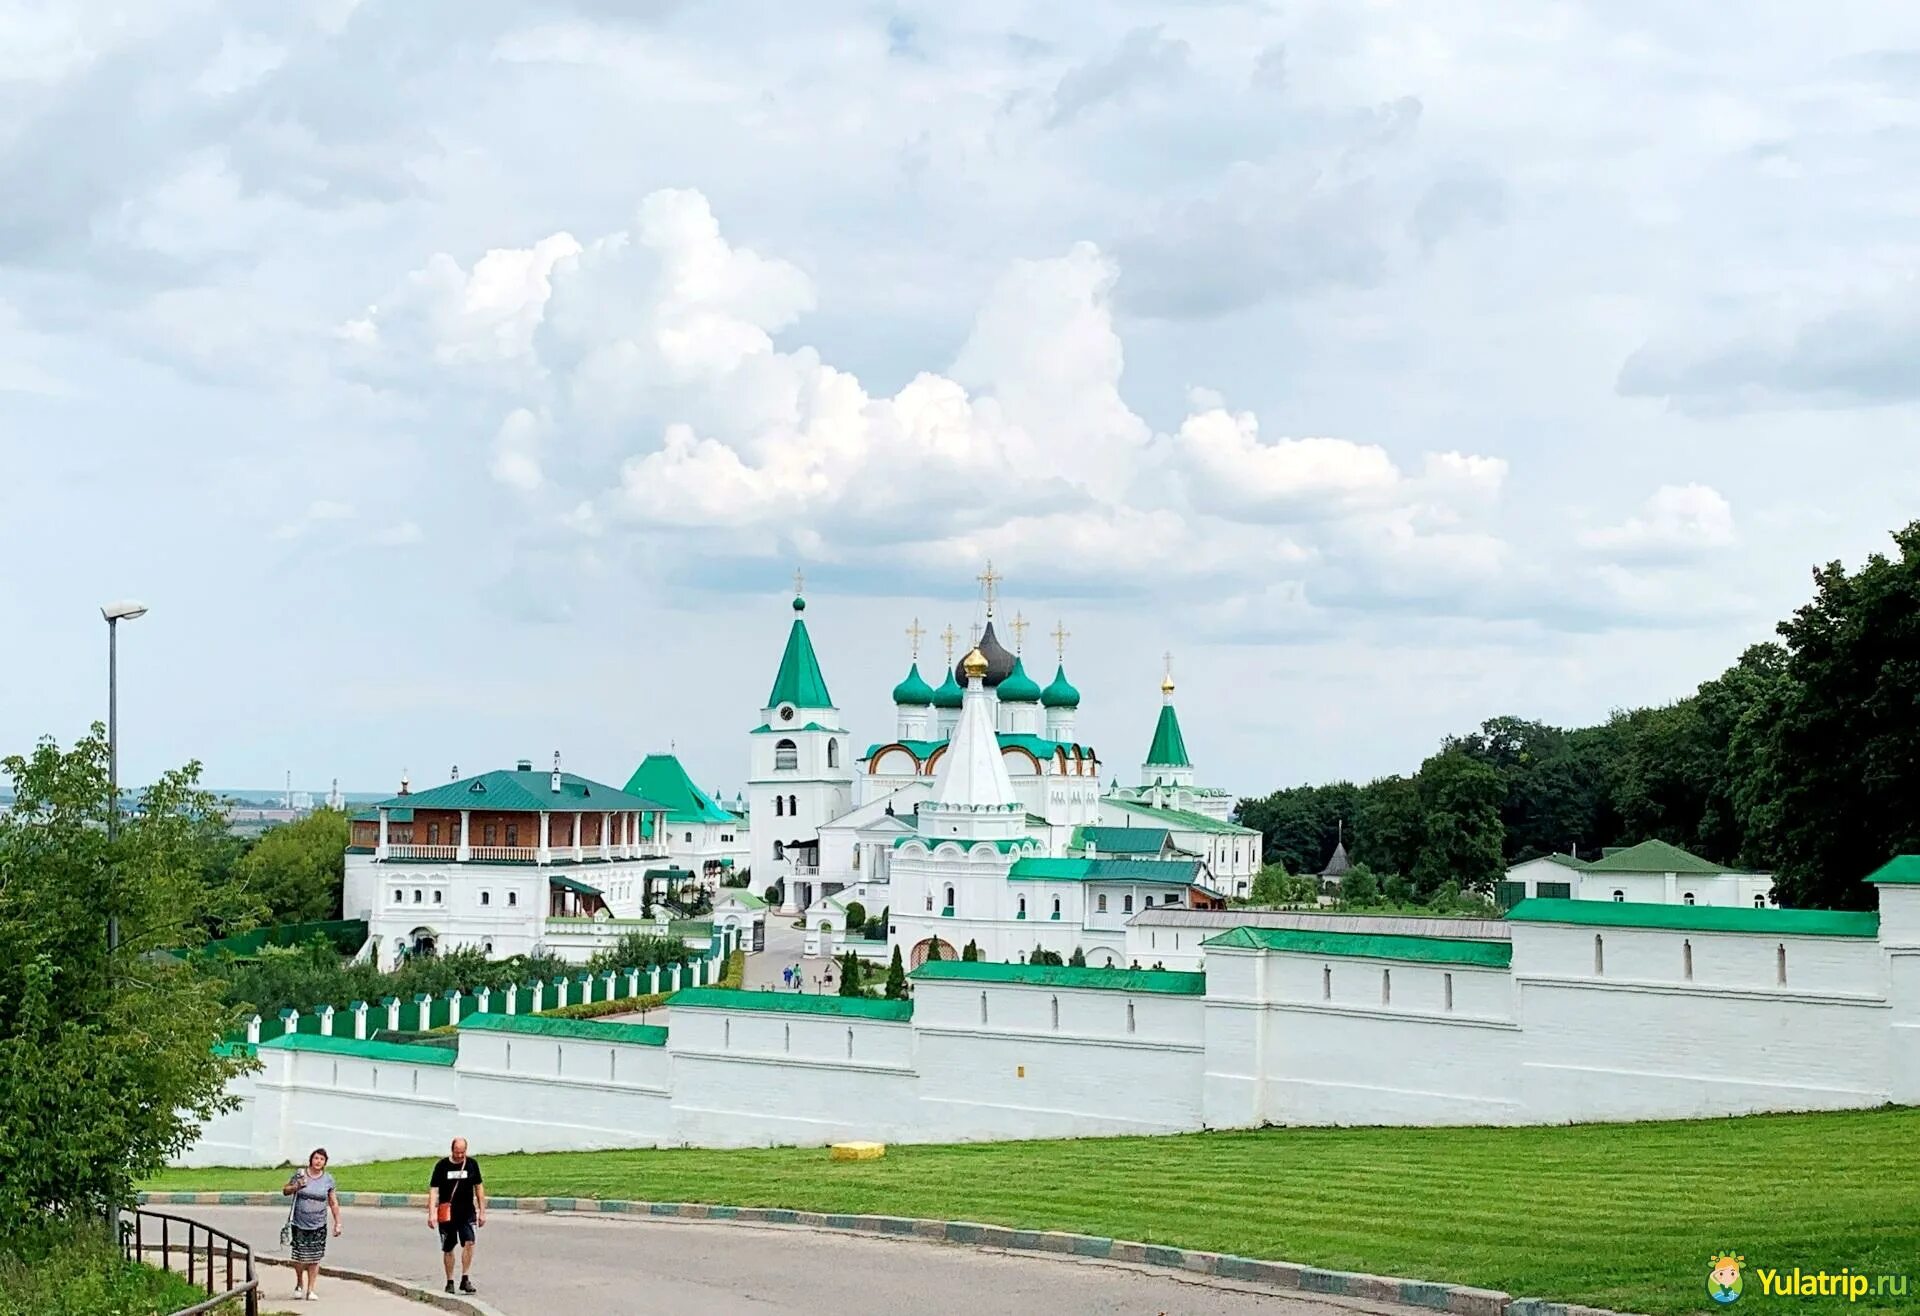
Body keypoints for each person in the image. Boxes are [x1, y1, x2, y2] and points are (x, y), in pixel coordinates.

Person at [427, 1136, 486, 1295]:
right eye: (457, 1152)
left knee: (469, 1242)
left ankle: (465, 1278)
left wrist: (482, 1211)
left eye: (463, 1152)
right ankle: (450, 1281)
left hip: (467, 1212)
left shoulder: (472, 1164)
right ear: (452, 1150)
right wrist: (432, 1213)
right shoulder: (442, 1166)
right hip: (447, 1214)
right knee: (448, 1248)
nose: (460, 1155)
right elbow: (434, 1189)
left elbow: (479, 1188)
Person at [281, 1147, 341, 1301]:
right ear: (311, 1159)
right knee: (299, 1257)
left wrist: (337, 1223)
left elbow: (333, 1202)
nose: (318, 1161)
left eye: (321, 1159)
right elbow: (285, 1190)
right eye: (316, 1158)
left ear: (325, 1162)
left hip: (319, 1223)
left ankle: (311, 1289)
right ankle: (299, 1283)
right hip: (300, 1222)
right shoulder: (300, 1174)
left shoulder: (328, 1179)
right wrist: (297, 1186)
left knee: (315, 1257)